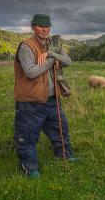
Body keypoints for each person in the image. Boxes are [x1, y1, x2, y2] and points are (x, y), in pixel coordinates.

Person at [13, 14, 77, 178]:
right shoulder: (26, 46)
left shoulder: (54, 45)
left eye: (47, 26)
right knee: (27, 135)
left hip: (51, 99)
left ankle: (64, 155)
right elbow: (31, 72)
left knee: (60, 130)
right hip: (30, 101)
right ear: (33, 27)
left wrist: (51, 54)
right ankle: (30, 167)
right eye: (41, 26)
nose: (44, 29)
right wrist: (51, 62)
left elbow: (68, 61)